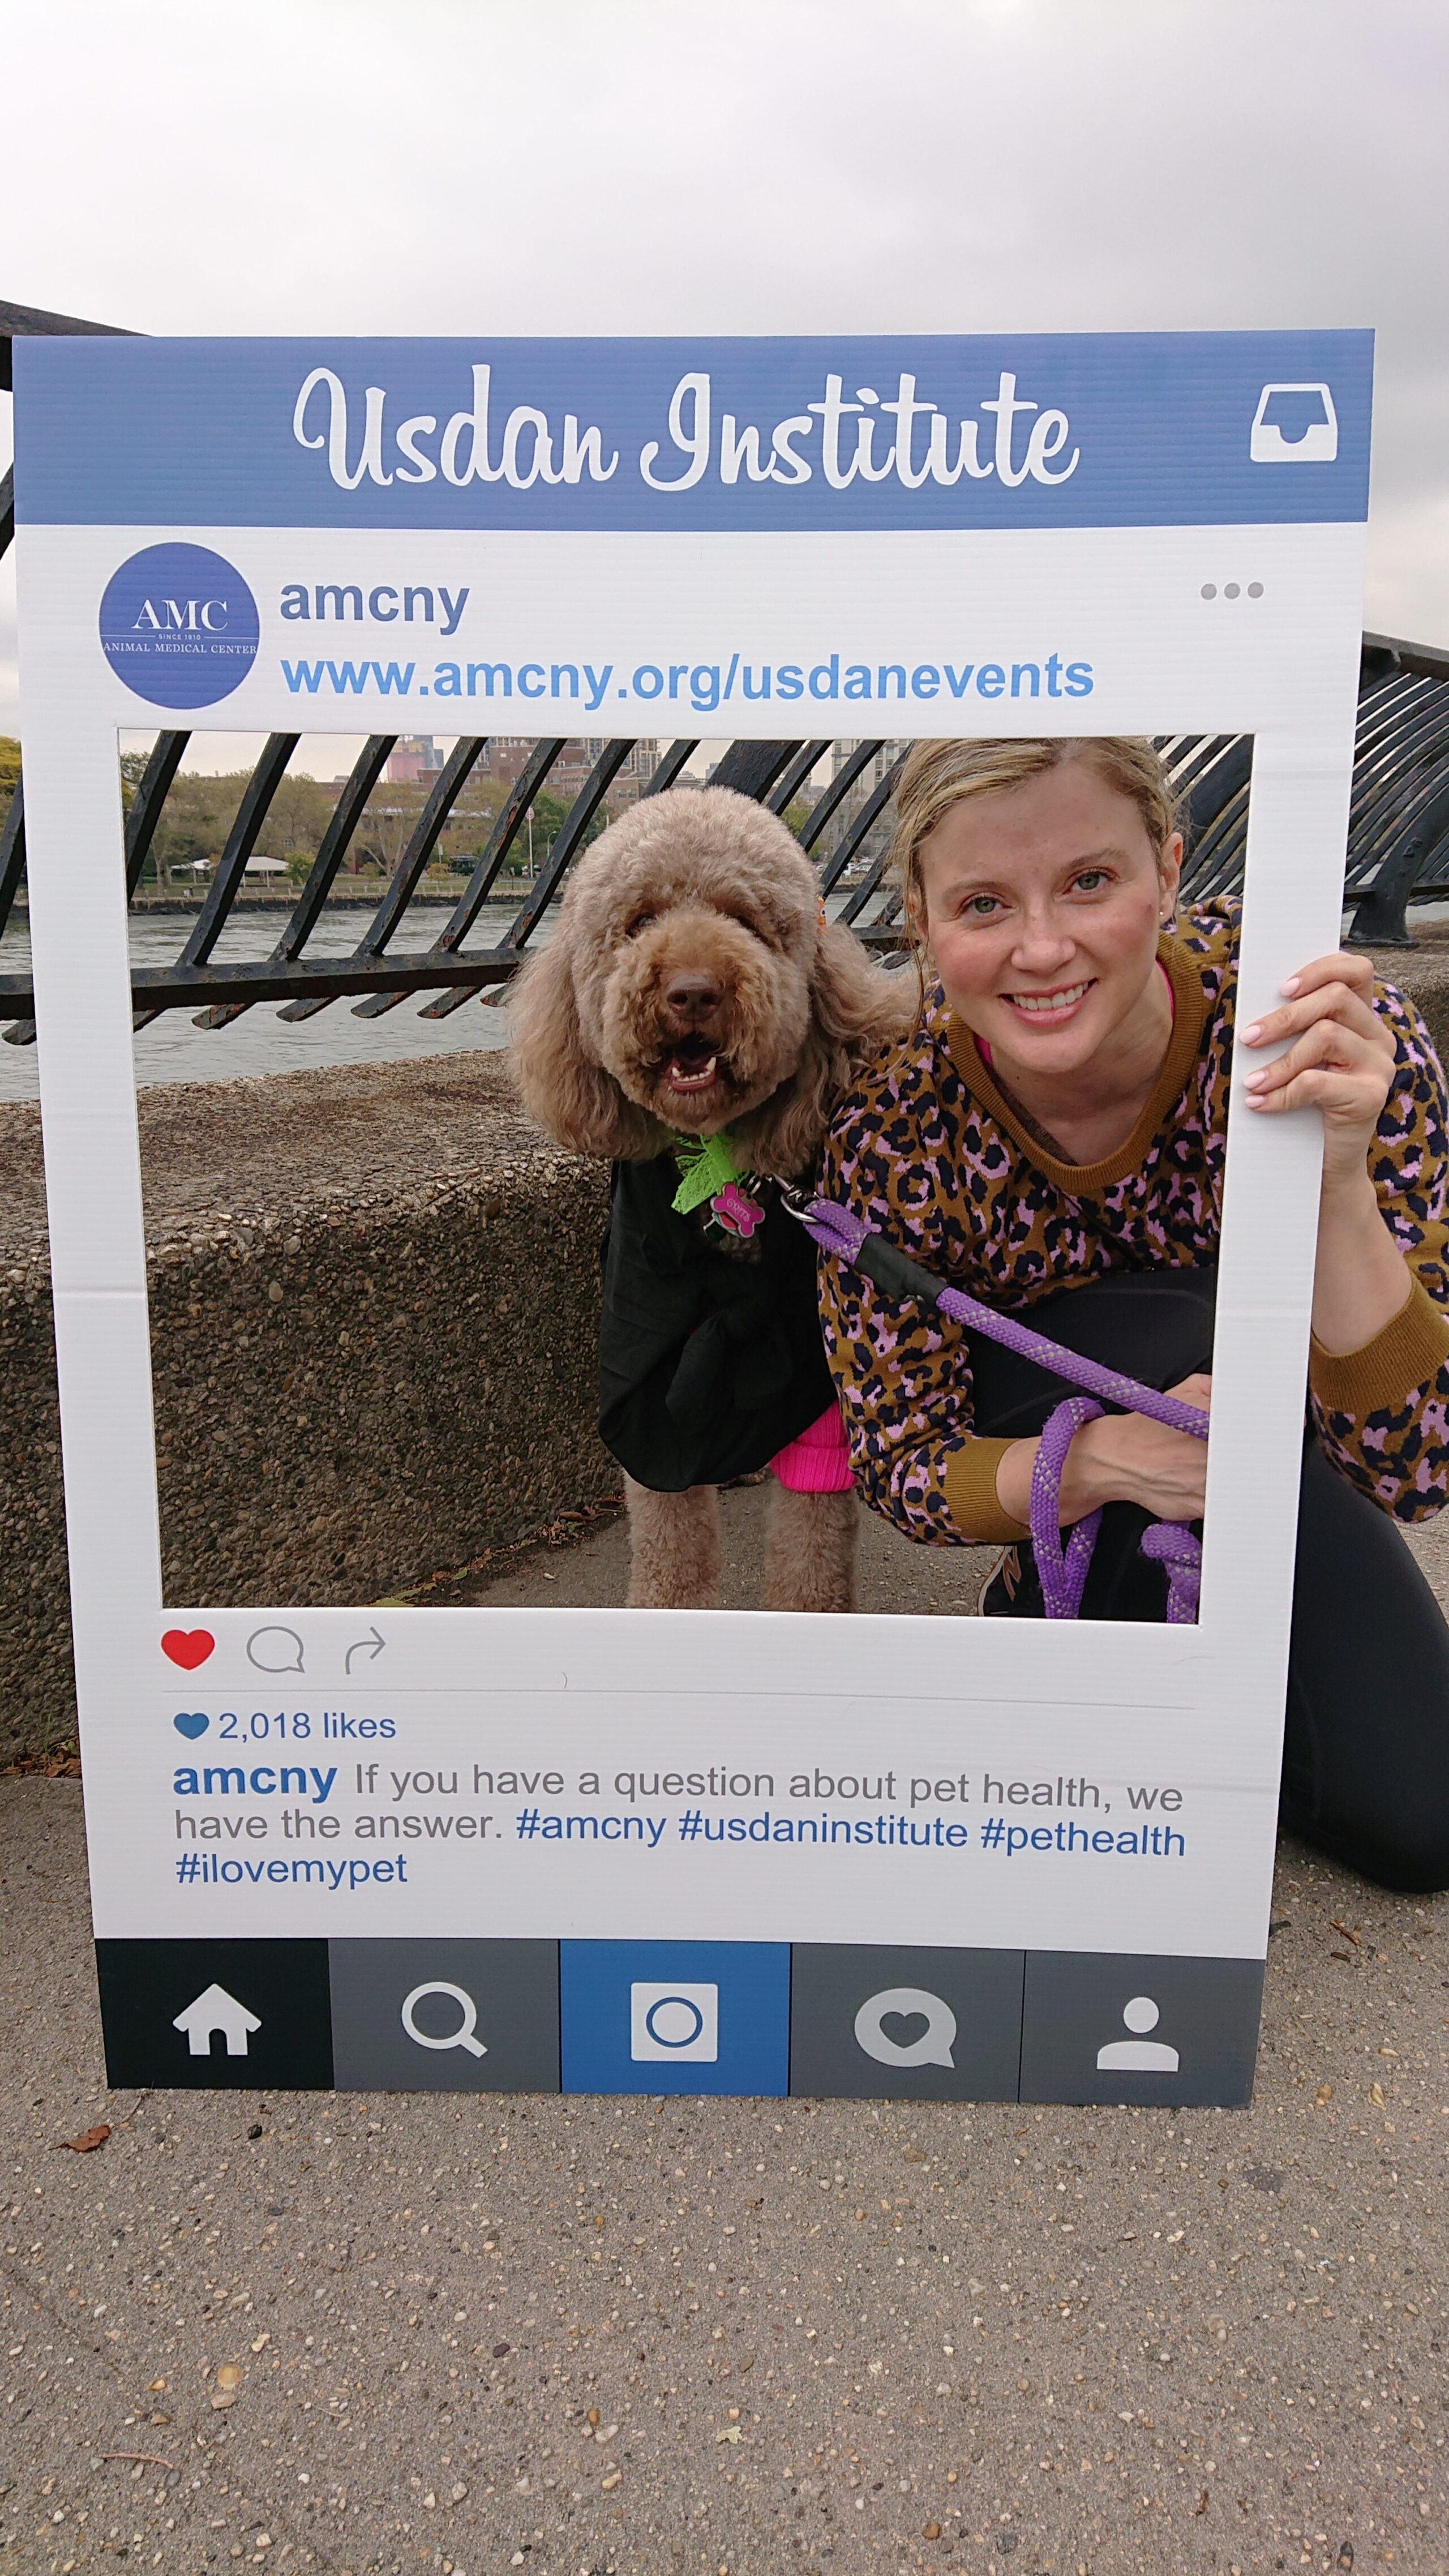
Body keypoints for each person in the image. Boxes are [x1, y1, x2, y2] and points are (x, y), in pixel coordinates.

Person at [816, 736, 1449, 1893]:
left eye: (1090, 881)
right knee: (1173, 1342)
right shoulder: (891, 1122)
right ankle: (1088, 1578)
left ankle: (1094, 1632)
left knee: (1423, 1817)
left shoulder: (1315, 1032)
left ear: (1165, 866)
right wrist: (1103, 1462)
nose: (1042, 946)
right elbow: (901, 1461)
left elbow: (1411, 1462)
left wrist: (1336, 1188)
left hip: (1276, 1439)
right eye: (980, 902)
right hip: (1056, 1419)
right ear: (915, 915)